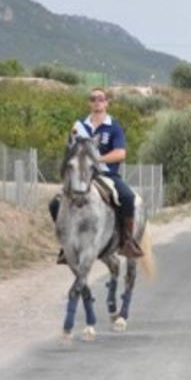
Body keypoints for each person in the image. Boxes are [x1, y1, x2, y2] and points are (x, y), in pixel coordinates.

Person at [50, 87, 143, 261]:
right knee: (54, 204)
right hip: (81, 176)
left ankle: (127, 241)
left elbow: (121, 154)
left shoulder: (114, 127)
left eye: (100, 98)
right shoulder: (78, 127)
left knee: (127, 197)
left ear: (107, 102)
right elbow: (70, 151)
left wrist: (97, 160)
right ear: (89, 103)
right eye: (93, 99)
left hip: (107, 175)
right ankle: (65, 244)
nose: (97, 102)